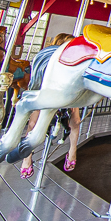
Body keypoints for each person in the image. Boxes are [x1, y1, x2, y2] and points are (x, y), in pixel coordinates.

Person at [20, 33, 81, 178]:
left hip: (67, 94)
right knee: (33, 123)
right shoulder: (48, 61)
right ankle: (27, 157)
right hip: (46, 93)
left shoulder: (74, 63)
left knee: (76, 121)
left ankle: (72, 151)